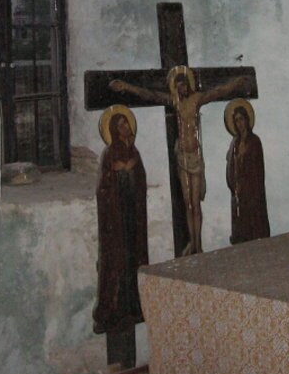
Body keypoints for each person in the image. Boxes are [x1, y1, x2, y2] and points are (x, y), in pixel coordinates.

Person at [109, 66, 251, 255]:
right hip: (182, 157)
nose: (181, 88)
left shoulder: (197, 99)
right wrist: (127, 86)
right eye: (178, 86)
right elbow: (150, 95)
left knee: (196, 203)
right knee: (188, 204)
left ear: (188, 85)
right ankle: (192, 242)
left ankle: (198, 244)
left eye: (184, 85)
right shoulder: (174, 101)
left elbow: (218, 92)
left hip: (195, 157)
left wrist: (236, 83)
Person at [92, 107, 148, 334]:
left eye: (126, 123)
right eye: (121, 125)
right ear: (114, 130)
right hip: (116, 219)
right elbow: (102, 188)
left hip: (133, 217)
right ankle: (114, 309)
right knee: (117, 262)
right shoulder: (109, 153)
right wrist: (117, 173)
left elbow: (141, 182)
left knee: (133, 260)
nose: (126, 127)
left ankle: (134, 306)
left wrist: (131, 171)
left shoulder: (135, 153)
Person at [225, 100, 270, 244]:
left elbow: (258, 170)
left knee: (254, 225)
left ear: (247, 120)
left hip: (252, 191)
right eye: (236, 120)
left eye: (241, 119)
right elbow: (232, 167)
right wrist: (235, 185)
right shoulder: (235, 144)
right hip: (239, 192)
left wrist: (252, 189)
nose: (239, 123)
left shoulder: (255, 141)